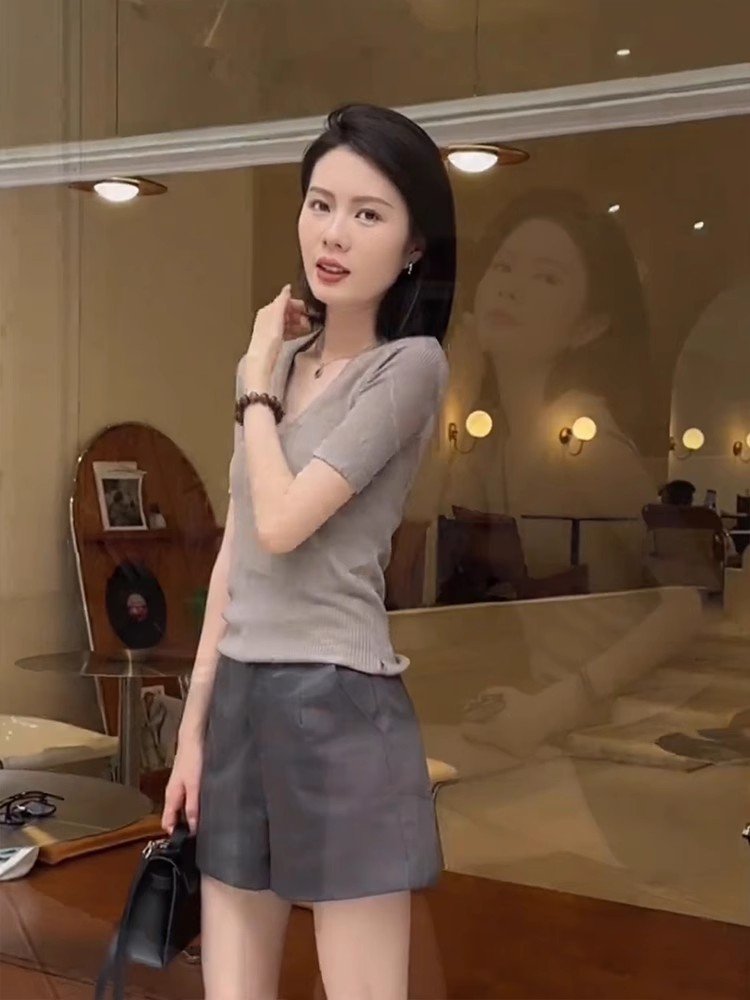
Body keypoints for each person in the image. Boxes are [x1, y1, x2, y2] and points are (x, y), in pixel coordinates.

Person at [161, 103, 456, 1000]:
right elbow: (237, 556)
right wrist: (193, 729)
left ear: (414, 245)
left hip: (340, 703)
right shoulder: (276, 370)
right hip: (242, 700)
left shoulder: (409, 368)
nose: (334, 233)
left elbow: (285, 523)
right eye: (321, 204)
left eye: (368, 213)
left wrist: (254, 385)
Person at [444, 188, 656, 591]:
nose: (510, 288)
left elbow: (683, 581)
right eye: (503, 266)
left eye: (546, 277)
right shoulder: (490, 439)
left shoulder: (586, 440)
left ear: (588, 326)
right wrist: (459, 389)